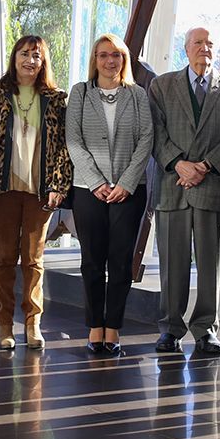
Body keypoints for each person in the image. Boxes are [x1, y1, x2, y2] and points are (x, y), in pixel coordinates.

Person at [148, 27, 220, 355]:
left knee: (209, 264)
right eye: (198, 43)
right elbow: (155, 131)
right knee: (171, 265)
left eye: (209, 44)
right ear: (185, 50)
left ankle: (206, 329)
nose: (204, 48)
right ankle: (171, 328)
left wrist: (204, 166)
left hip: (211, 185)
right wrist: (179, 164)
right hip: (172, 187)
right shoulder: (162, 86)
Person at [66, 33, 153, 354]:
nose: (110, 61)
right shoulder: (80, 93)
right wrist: (96, 181)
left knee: (120, 262)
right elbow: (72, 139)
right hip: (87, 190)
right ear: (95, 60)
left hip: (129, 191)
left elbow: (147, 139)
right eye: (103, 55)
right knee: (91, 261)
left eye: (115, 55)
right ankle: (94, 326)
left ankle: (113, 327)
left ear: (124, 59)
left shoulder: (138, 95)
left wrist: (126, 182)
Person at [0, 35, 72, 350]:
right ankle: (4, 324)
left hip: (41, 192)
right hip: (4, 189)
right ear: (14, 57)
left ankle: (33, 324)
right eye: (24, 54)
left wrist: (59, 186)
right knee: (5, 258)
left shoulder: (56, 98)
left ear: (43, 61)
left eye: (36, 56)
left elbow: (64, 147)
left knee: (33, 260)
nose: (30, 61)